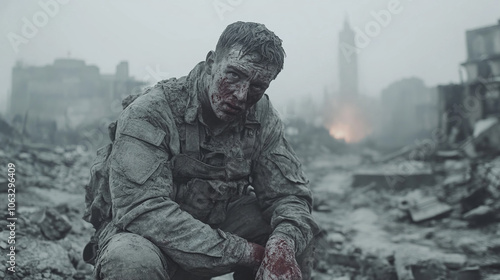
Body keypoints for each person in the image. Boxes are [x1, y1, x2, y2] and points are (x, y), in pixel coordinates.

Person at [83, 21, 320, 280]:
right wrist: (246, 253)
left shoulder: (261, 115)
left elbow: (288, 198)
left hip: (216, 224)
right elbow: (142, 211)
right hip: (145, 237)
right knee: (130, 262)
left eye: (257, 86)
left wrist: (281, 247)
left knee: (293, 238)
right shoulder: (151, 112)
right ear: (211, 64)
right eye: (234, 75)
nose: (241, 95)